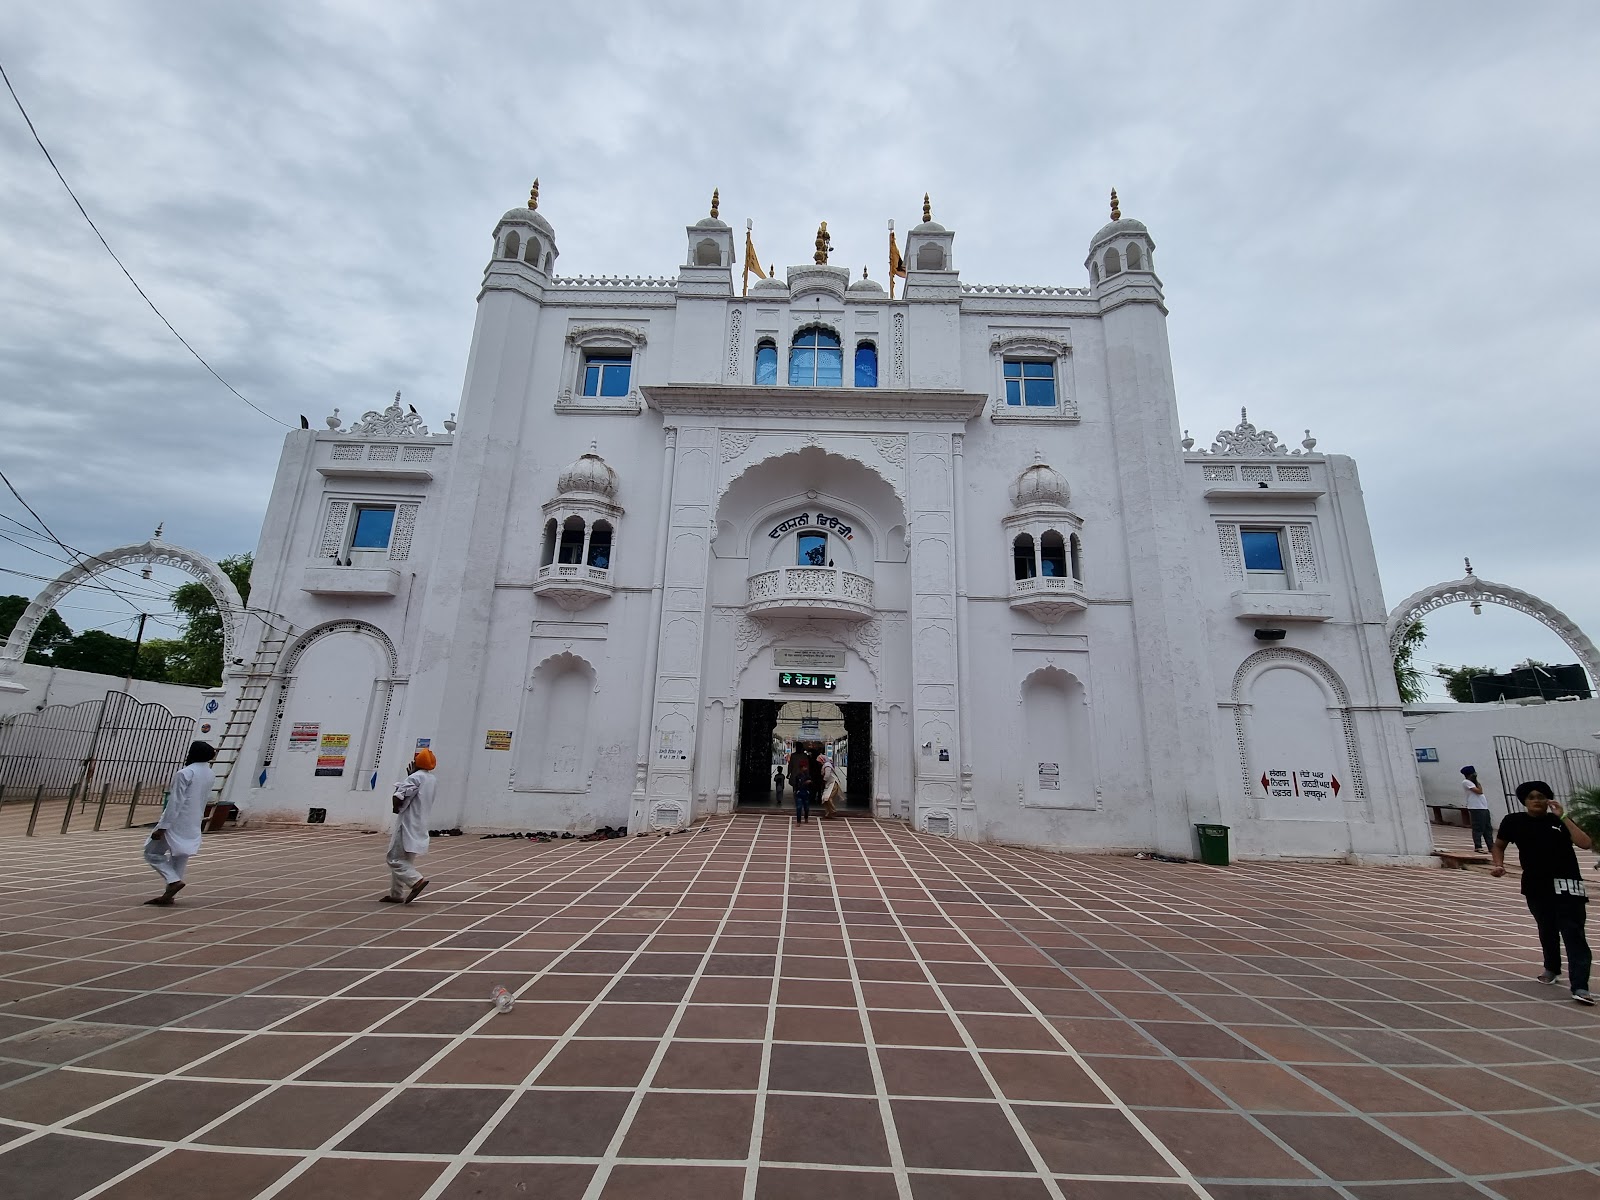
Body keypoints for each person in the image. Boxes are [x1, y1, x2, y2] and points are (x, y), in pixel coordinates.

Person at [1492, 780, 1593, 1005]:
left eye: (1541, 796)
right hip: (1537, 885)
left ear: (1548, 799)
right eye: (1531, 797)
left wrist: (1564, 817)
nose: (1536, 800)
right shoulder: (1513, 821)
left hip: (1568, 884)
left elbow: (1585, 843)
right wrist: (1499, 864)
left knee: (1574, 934)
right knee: (1546, 929)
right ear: (1524, 801)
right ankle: (1551, 968)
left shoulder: (1559, 820)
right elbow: (1498, 844)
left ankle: (1580, 986)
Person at [143, 741, 216, 906]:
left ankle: (173, 881)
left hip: (176, 820)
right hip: (193, 820)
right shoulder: (209, 773)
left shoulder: (185, 773)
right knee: (180, 856)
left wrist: (162, 827)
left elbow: (175, 802)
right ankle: (169, 895)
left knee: (151, 853)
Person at [383, 748, 437, 904]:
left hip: (407, 823)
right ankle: (396, 894)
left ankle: (416, 881)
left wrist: (395, 808)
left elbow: (399, 795)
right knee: (405, 860)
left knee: (393, 859)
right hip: (420, 823)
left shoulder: (415, 777)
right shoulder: (431, 779)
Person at [1461, 766, 1494, 852]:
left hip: (1483, 807)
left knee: (1488, 828)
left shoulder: (1473, 782)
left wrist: (1476, 781)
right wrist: (1476, 781)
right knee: (1478, 828)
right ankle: (1478, 846)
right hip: (1476, 808)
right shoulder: (1466, 782)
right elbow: (1479, 791)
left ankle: (1491, 846)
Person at [787, 745, 813, 824]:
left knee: (806, 806)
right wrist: (788, 773)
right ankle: (797, 797)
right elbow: (790, 765)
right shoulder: (794, 755)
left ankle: (805, 817)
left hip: (802, 779)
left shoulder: (803, 756)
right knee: (796, 788)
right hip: (796, 775)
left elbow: (807, 766)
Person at [819, 750, 840, 819]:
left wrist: (823, 781)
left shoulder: (827, 766)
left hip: (833, 783)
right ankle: (828, 813)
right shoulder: (825, 765)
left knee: (827, 797)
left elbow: (827, 776)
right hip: (828, 784)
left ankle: (833, 811)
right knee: (824, 798)